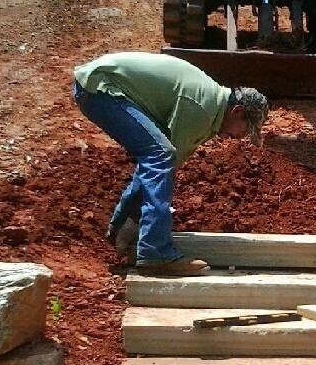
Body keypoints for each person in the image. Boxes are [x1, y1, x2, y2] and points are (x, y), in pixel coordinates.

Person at [73, 51, 269, 276]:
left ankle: (123, 232)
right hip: (102, 88)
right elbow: (165, 162)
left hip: (102, 87)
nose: (240, 137)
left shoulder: (211, 109)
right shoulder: (202, 108)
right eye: (245, 129)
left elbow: (159, 169)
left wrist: (127, 220)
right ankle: (156, 253)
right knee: (161, 155)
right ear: (238, 111)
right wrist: (135, 217)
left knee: (159, 158)